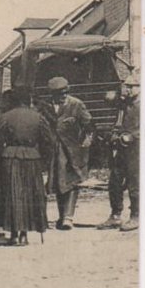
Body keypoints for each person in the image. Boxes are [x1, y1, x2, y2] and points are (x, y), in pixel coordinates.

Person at [0, 87, 54, 245]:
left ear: (13, 100)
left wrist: (1, 157)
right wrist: (43, 160)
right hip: (32, 158)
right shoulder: (38, 117)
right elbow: (48, 142)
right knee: (30, 196)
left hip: (10, 158)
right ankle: (25, 234)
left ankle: (13, 234)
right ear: (28, 100)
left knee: (12, 195)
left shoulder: (6, 117)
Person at [43, 77, 93, 230]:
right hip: (53, 149)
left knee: (71, 180)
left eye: (65, 93)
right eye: (59, 94)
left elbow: (89, 125)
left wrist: (87, 141)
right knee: (59, 182)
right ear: (52, 94)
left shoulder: (76, 104)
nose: (63, 96)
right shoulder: (45, 106)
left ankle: (68, 218)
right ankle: (61, 216)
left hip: (72, 149)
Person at [98, 73, 140, 232]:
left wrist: (132, 136)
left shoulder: (144, 105)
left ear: (140, 88)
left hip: (137, 148)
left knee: (134, 183)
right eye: (126, 86)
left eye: (132, 86)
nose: (128, 89)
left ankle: (136, 216)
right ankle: (115, 215)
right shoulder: (125, 103)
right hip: (122, 147)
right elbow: (108, 99)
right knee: (115, 180)